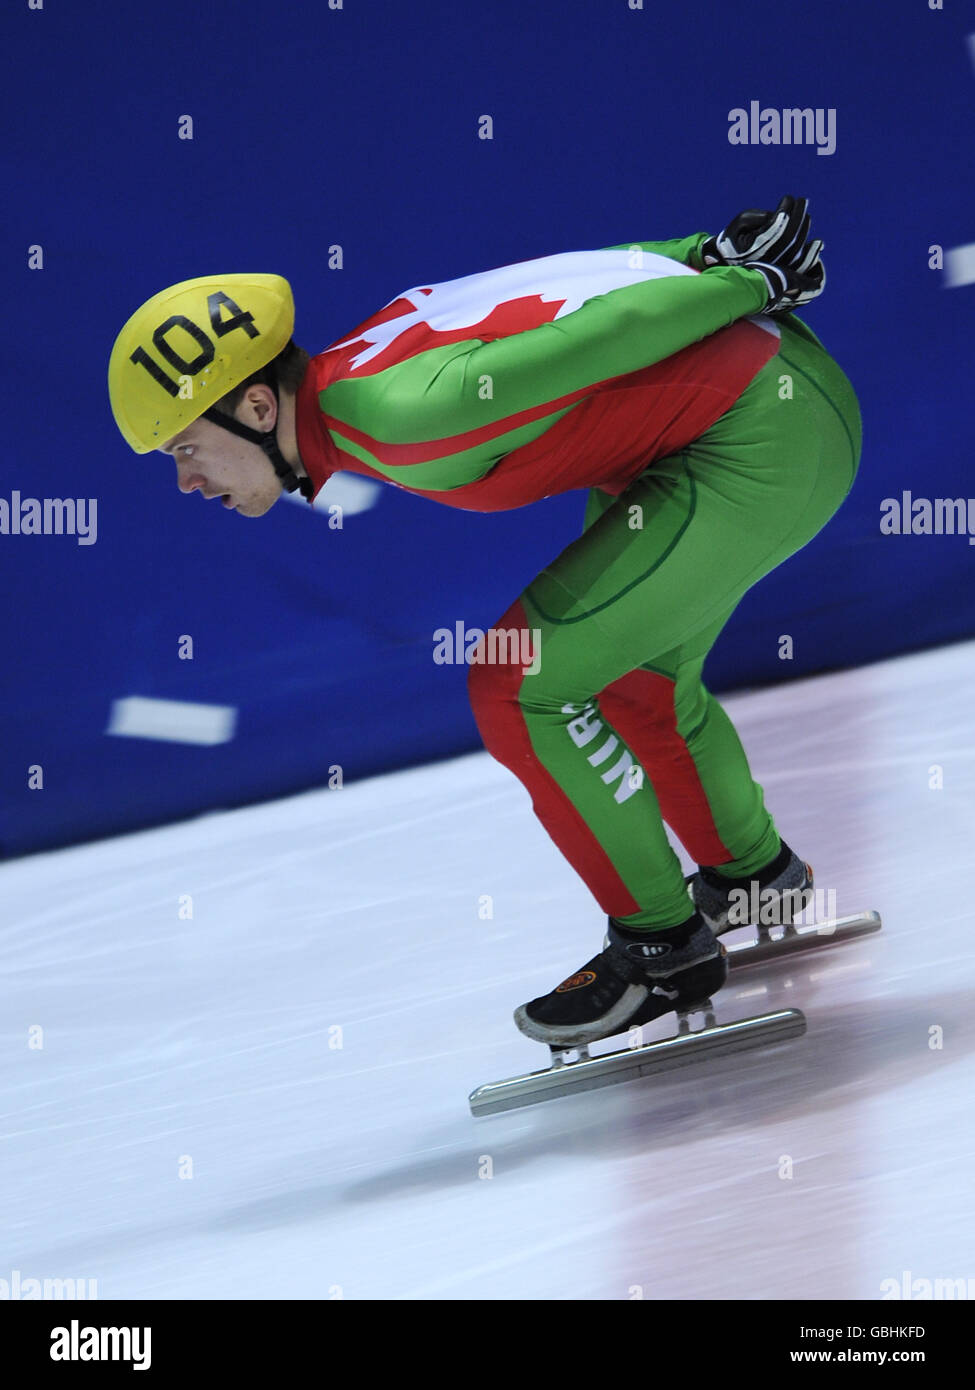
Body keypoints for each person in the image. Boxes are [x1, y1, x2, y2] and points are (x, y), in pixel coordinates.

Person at [108, 195, 860, 1051]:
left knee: (515, 687)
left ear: (252, 408)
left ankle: (661, 948)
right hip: (741, 422)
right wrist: (705, 252)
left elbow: (598, 338)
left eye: (182, 450)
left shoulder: (401, 419)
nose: (186, 482)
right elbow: (560, 290)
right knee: (627, 684)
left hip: (763, 435)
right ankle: (755, 879)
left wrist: (740, 282)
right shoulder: (360, 371)